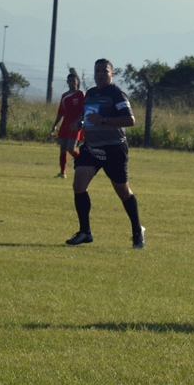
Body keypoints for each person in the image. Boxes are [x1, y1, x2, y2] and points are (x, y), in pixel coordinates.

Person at [65, 59, 145, 249]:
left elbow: (130, 120)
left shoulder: (116, 94)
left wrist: (102, 120)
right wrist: (80, 123)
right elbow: (87, 115)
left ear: (112, 74)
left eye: (104, 71)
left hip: (113, 149)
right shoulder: (91, 93)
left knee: (123, 191)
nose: (100, 74)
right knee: (78, 185)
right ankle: (85, 232)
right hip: (92, 147)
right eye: (97, 70)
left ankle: (137, 231)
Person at [50, 70, 84, 179]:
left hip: (76, 126)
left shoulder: (81, 94)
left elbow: (83, 110)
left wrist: (78, 121)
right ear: (67, 82)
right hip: (65, 125)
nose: (72, 82)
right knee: (63, 148)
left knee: (71, 148)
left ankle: (84, 161)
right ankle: (62, 173)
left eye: (73, 81)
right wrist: (55, 125)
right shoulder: (64, 95)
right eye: (70, 81)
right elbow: (61, 112)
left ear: (77, 82)